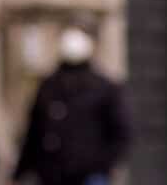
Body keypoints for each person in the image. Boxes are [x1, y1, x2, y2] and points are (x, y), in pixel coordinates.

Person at [11, 27, 130, 185]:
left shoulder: (103, 88)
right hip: (55, 174)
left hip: (88, 174)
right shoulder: (50, 87)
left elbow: (120, 133)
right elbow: (34, 133)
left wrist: (102, 164)